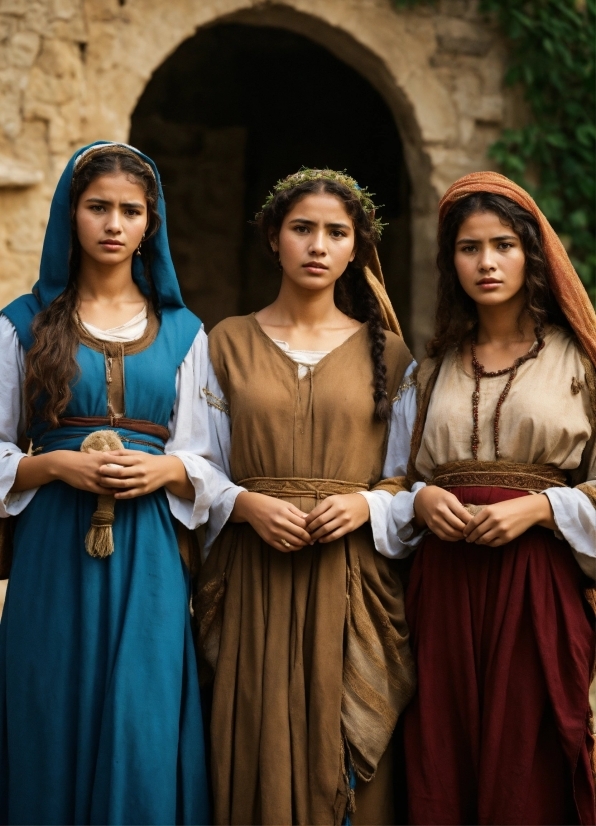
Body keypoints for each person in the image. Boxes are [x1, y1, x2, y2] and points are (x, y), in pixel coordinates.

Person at [0, 141, 235, 824]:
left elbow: (210, 459)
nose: (113, 223)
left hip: (149, 554)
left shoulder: (187, 335)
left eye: (130, 210)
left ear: (149, 225)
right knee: (49, 708)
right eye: (98, 206)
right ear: (69, 215)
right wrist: (50, 466)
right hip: (51, 550)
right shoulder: (22, 326)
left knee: (144, 717)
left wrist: (166, 468)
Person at [195, 169, 417, 825]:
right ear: (274, 239)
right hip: (252, 576)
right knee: (252, 742)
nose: (317, 245)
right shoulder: (224, 343)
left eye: (335, 233)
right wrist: (245, 504)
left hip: (351, 581)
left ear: (356, 248)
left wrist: (366, 505)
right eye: (302, 229)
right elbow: (197, 461)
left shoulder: (395, 357)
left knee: (347, 747)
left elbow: (412, 479)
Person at [384, 171, 596, 825]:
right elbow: (393, 479)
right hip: (443, 590)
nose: (486, 262)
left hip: (539, 588)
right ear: (451, 261)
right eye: (469, 247)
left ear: (531, 253)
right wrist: (418, 503)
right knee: (442, 756)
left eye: (502, 244)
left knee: (529, 761)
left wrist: (541, 508)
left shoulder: (582, 364)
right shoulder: (431, 370)